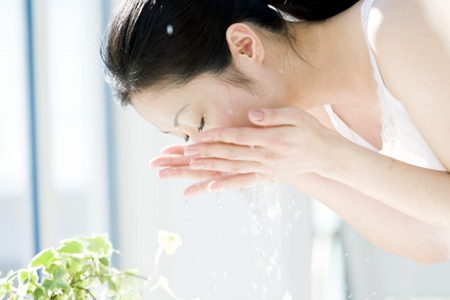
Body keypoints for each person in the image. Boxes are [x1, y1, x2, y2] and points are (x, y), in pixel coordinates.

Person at [101, 0, 450, 265]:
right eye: (189, 137)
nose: (207, 145)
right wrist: (295, 168)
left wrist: (334, 158)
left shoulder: (397, 28)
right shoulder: (315, 118)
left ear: (245, 46)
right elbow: (433, 240)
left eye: (201, 121)